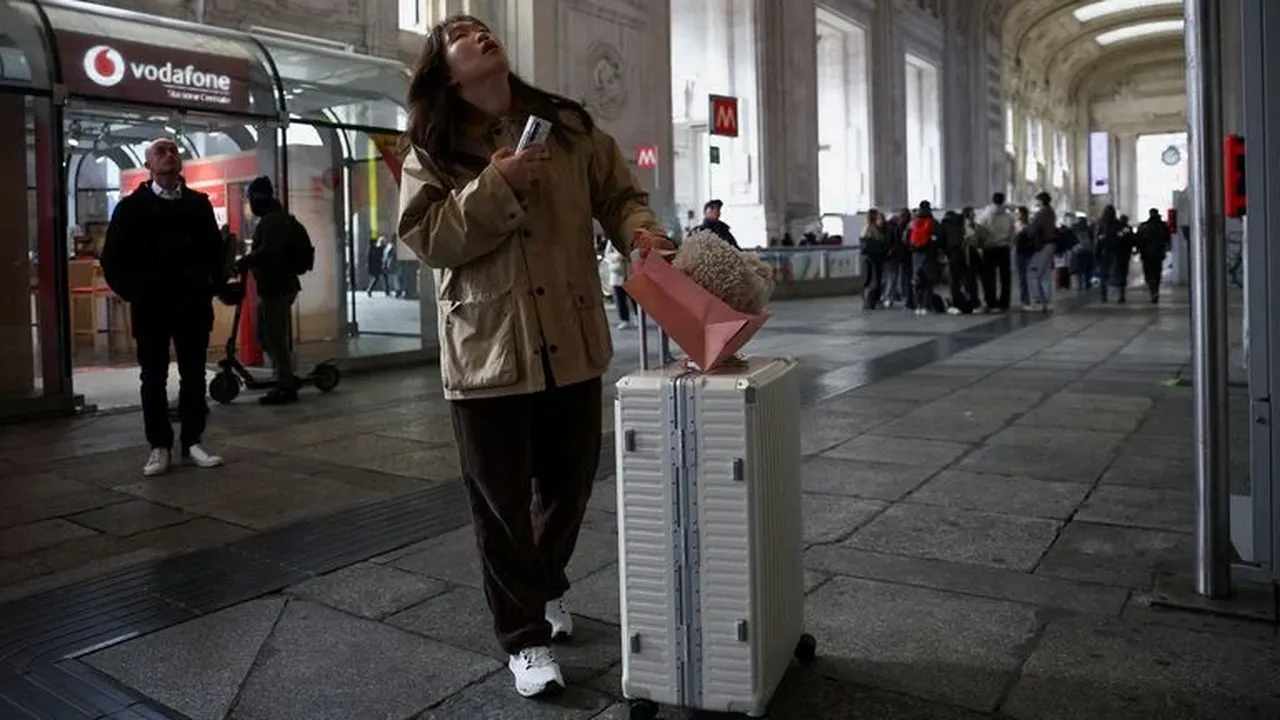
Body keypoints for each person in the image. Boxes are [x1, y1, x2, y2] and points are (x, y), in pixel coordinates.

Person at [396, 14, 672, 699]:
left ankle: (543, 583)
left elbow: (619, 195)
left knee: (570, 483)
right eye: (460, 34)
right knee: (499, 504)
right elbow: (426, 239)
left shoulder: (568, 127)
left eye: (483, 28)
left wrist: (642, 236)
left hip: (570, 340)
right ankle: (522, 638)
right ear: (444, 70)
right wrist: (496, 184)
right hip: (487, 348)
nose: (480, 35)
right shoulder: (431, 148)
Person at [100, 138, 227, 476]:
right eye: (161, 152)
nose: (169, 155)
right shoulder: (131, 208)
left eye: (174, 150)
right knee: (152, 375)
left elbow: (215, 254)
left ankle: (193, 440)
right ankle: (159, 446)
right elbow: (112, 260)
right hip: (152, 305)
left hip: (192, 304)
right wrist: (135, 292)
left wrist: (211, 286)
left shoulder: (198, 205)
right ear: (149, 166)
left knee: (194, 374)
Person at [236, 176, 308, 405]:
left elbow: (267, 253)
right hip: (280, 286)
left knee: (274, 337)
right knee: (269, 335)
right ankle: (283, 375)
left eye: (251, 200)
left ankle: (285, 385)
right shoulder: (278, 218)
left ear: (258, 199)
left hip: (277, 287)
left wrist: (243, 262)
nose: (250, 205)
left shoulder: (272, 222)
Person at [976, 192, 1014, 312]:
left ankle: (991, 302)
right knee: (1005, 278)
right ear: (1003, 201)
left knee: (988, 277)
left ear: (992, 200)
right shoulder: (1008, 217)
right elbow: (1012, 234)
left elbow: (979, 231)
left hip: (989, 248)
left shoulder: (985, 215)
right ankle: (1004, 303)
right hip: (1004, 248)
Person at [1026, 192, 1058, 312]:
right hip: (1051, 244)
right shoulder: (1051, 212)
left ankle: (1037, 301)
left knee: (1033, 273)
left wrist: (1026, 228)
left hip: (1042, 245)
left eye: (1037, 201)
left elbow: (1033, 229)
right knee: (1045, 275)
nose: (1036, 203)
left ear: (1042, 201)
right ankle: (1048, 302)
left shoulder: (1042, 213)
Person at [859, 209, 889, 310]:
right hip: (874, 258)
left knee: (867, 280)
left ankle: (867, 300)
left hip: (867, 257)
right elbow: (878, 242)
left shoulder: (866, 228)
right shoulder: (873, 229)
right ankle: (871, 301)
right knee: (874, 280)